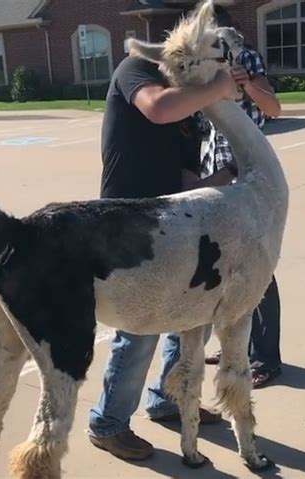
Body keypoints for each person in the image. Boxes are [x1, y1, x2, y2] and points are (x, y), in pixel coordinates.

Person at [88, 52, 239, 461]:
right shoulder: (136, 69)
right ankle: (108, 423)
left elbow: (187, 180)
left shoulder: (188, 113)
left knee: (191, 316)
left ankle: (167, 398)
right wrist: (219, 87)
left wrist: (225, 177)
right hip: (130, 222)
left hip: (176, 223)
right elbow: (156, 108)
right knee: (140, 327)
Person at [200, 36, 283, 389]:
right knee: (223, 270)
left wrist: (246, 83)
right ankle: (234, 347)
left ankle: (265, 357)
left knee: (258, 270)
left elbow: (274, 108)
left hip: (246, 179)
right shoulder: (199, 59)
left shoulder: (245, 57)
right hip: (212, 178)